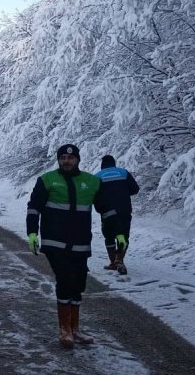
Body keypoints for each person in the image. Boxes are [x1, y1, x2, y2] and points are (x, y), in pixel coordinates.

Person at [26, 144, 125, 349]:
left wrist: (119, 233)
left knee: (79, 284)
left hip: (80, 242)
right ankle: (65, 330)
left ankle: (75, 329)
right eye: (63, 157)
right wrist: (32, 233)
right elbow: (34, 208)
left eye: (70, 158)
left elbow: (107, 210)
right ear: (58, 160)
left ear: (78, 159)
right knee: (65, 280)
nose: (66, 161)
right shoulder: (47, 180)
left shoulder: (92, 182)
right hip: (55, 242)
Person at [96, 155, 140, 275]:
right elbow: (135, 189)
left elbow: (94, 194)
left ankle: (113, 262)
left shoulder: (98, 176)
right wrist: (122, 193)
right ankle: (119, 259)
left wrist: (99, 207)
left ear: (102, 165)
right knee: (122, 235)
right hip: (124, 211)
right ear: (114, 163)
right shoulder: (123, 172)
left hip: (107, 213)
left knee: (109, 237)